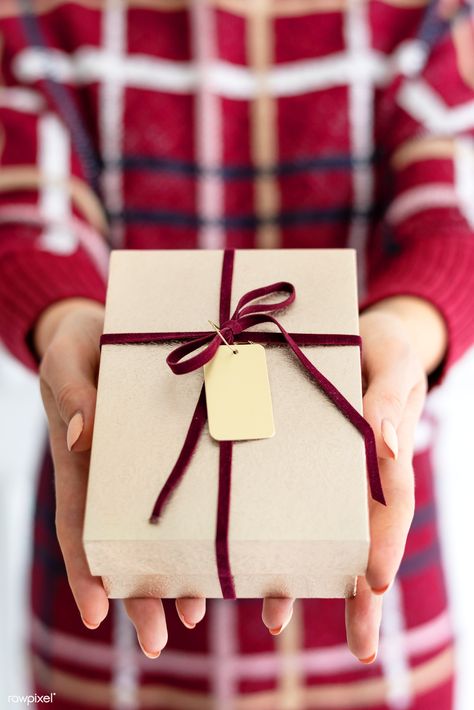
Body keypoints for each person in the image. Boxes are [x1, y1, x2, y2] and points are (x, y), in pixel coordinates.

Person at [1, 1, 473, 708]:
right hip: (119, 560)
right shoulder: (42, 17)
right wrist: (72, 325)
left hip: (368, 552)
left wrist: (405, 330)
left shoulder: (425, 16)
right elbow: (33, 220)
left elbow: (449, 219)